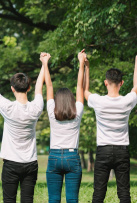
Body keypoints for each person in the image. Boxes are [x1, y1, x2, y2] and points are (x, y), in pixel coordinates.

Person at [0, 54, 45, 203]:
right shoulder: (36, 108)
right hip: (31, 163)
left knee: (9, 200)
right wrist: (44, 64)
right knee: (28, 200)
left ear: (12, 89)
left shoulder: (8, 108)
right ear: (28, 88)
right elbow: (39, 86)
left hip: (11, 164)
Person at [84, 47, 137, 203]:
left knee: (98, 193)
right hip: (122, 151)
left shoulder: (98, 101)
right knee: (124, 193)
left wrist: (86, 67)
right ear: (121, 83)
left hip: (103, 150)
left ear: (105, 83)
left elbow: (84, 90)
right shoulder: (127, 101)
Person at [42, 50, 86, 203]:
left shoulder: (52, 113)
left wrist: (45, 64)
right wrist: (82, 64)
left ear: (57, 101)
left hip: (54, 156)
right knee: (72, 199)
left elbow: (48, 86)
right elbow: (80, 87)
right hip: (72, 156)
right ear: (71, 101)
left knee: (53, 199)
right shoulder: (77, 112)